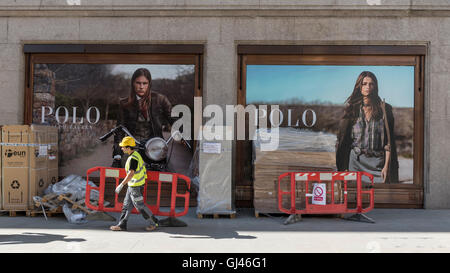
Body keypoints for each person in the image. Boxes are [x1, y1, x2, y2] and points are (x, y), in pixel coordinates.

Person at [336, 71, 399, 183]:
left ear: (375, 86)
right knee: (355, 198)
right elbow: (342, 141)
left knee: (377, 198)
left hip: (378, 163)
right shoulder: (351, 110)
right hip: (355, 163)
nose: (368, 87)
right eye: (364, 84)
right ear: (359, 86)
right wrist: (343, 167)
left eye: (371, 84)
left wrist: (386, 167)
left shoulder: (385, 109)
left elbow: (389, 143)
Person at [112, 68, 173, 168]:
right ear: (133, 84)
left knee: (163, 174)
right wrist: (117, 153)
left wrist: (182, 129)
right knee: (126, 170)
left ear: (149, 84)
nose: (141, 87)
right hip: (132, 146)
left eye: (145, 83)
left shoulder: (160, 100)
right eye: (138, 83)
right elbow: (119, 130)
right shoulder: (124, 103)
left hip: (154, 147)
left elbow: (173, 118)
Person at [110, 136, 158, 231]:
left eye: (123, 147)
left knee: (140, 206)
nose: (122, 148)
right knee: (126, 205)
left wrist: (122, 184)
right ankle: (122, 225)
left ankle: (154, 222)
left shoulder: (133, 159)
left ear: (128, 148)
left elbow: (131, 173)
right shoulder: (135, 155)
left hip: (136, 186)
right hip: (133, 185)